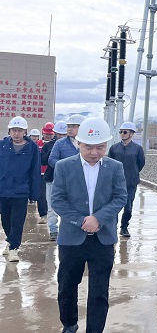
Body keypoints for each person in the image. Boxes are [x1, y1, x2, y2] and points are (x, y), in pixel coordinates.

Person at [51, 117, 128, 333]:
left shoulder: (115, 167)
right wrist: (82, 220)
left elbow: (120, 197)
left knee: (99, 291)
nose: (94, 152)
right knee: (67, 286)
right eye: (88, 147)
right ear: (78, 143)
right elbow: (57, 200)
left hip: (103, 240)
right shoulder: (64, 167)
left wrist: (99, 219)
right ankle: (69, 323)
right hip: (71, 238)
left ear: (107, 145)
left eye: (100, 147)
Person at [0, 116, 41, 262]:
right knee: (5, 220)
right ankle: (10, 241)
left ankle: (13, 248)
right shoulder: (2, 145)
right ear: (9, 131)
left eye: (19, 130)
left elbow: (35, 171)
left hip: (21, 190)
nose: (16, 133)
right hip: (3, 189)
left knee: (17, 221)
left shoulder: (32, 148)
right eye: (14, 130)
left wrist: (34, 194)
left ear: (25, 131)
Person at [108, 121, 145, 238]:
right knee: (113, 206)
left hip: (130, 183)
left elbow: (141, 163)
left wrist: (133, 174)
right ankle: (112, 227)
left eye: (125, 132)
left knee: (128, 207)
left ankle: (124, 227)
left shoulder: (137, 149)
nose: (122, 134)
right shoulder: (114, 148)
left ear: (131, 134)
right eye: (120, 132)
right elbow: (109, 163)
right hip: (115, 183)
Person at [44, 120, 68, 240]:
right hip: (51, 178)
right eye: (59, 134)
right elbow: (44, 160)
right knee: (51, 205)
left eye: (64, 134)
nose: (61, 137)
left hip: (68, 180)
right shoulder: (48, 146)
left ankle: (67, 228)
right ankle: (53, 229)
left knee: (68, 205)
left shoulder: (74, 145)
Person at [36, 122, 54, 223]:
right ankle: (43, 215)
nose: (48, 136)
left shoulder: (56, 144)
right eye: (46, 134)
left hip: (50, 173)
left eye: (50, 134)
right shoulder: (38, 144)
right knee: (41, 195)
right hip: (39, 173)